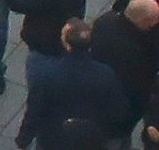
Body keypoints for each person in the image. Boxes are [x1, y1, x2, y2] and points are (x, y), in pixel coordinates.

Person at [15, 19, 129, 149]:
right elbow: (118, 111)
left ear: (68, 45)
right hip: (89, 139)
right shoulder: (106, 74)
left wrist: (24, 138)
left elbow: (35, 111)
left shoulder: (48, 75)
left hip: (54, 138)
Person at [92, 0, 159, 147]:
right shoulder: (141, 51)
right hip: (122, 111)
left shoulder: (104, 22)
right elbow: (143, 84)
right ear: (145, 22)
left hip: (98, 98)